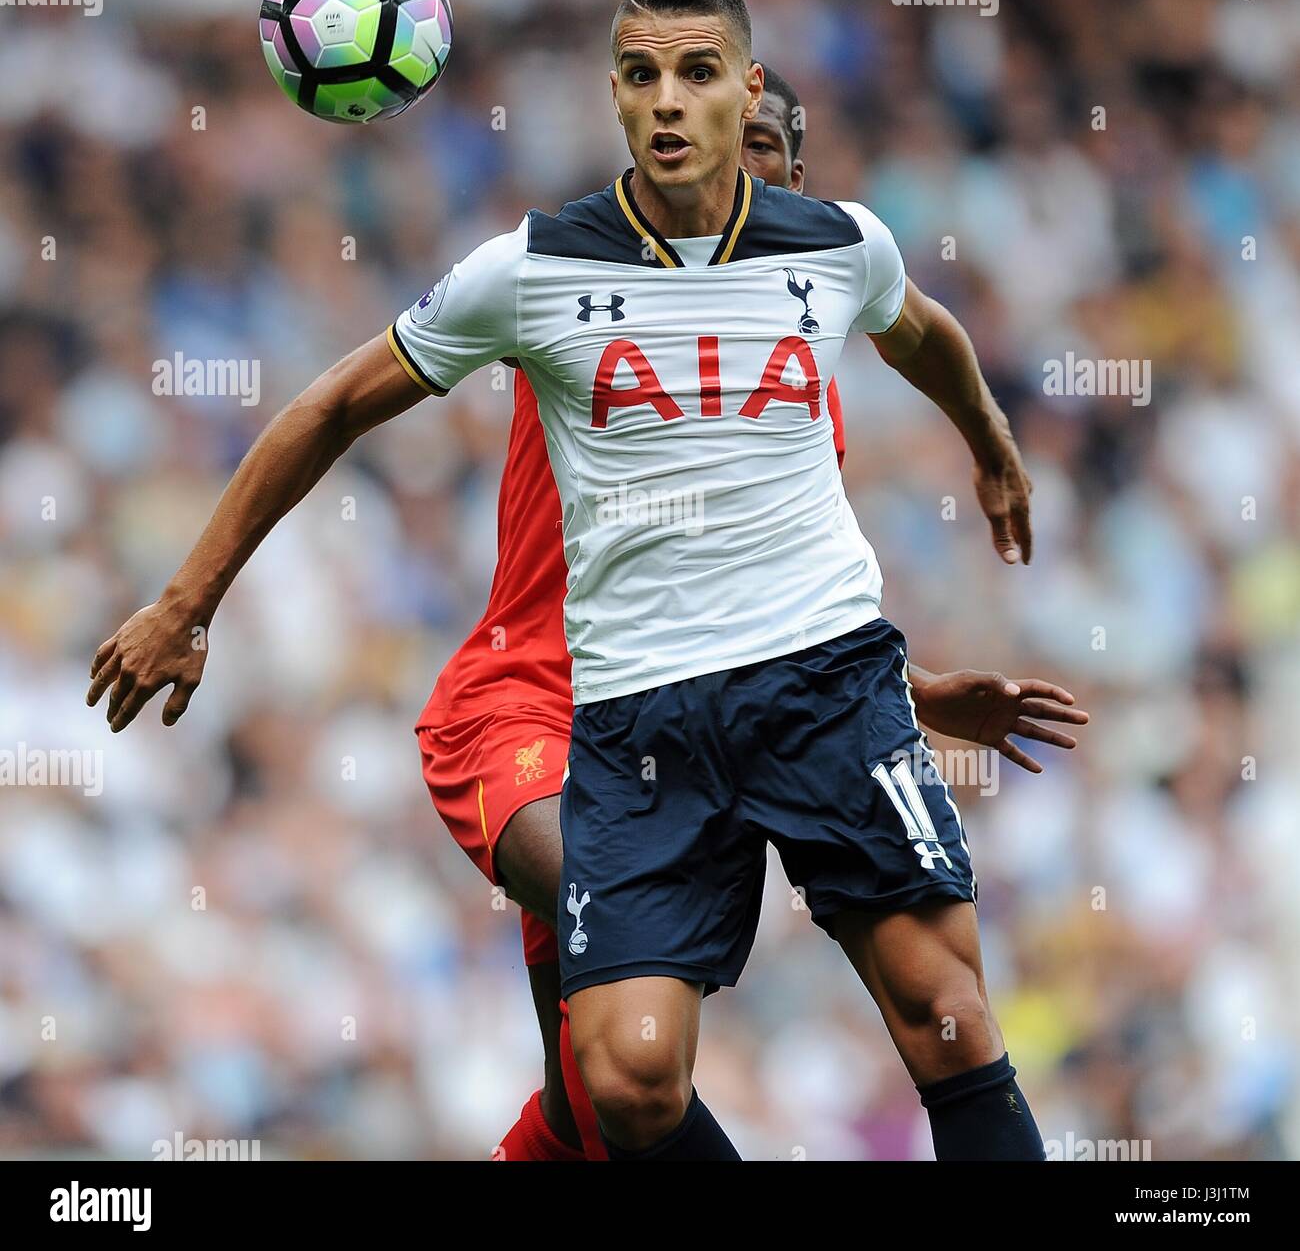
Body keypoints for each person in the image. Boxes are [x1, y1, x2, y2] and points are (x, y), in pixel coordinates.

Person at [90, 0, 1050, 1160]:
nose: (680, 116)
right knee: (623, 1059)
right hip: (556, 701)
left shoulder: (822, 290)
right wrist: (188, 599)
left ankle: (558, 1131)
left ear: (767, 126)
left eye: (714, 92)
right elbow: (335, 402)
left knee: (928, 1018)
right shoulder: (545, 279)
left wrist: (962, 532)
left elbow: (799, 529)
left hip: (795, 691)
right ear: (614, 99)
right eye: (644, 79)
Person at [417, 64, 1087, 1160]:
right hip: (539, 711)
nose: (730, 165)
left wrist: (909, 694)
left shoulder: (798, 379)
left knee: (603, 1097)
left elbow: (774, 611)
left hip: (725, 715)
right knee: (620, 1025)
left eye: (761, 146)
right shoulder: (591, 297)